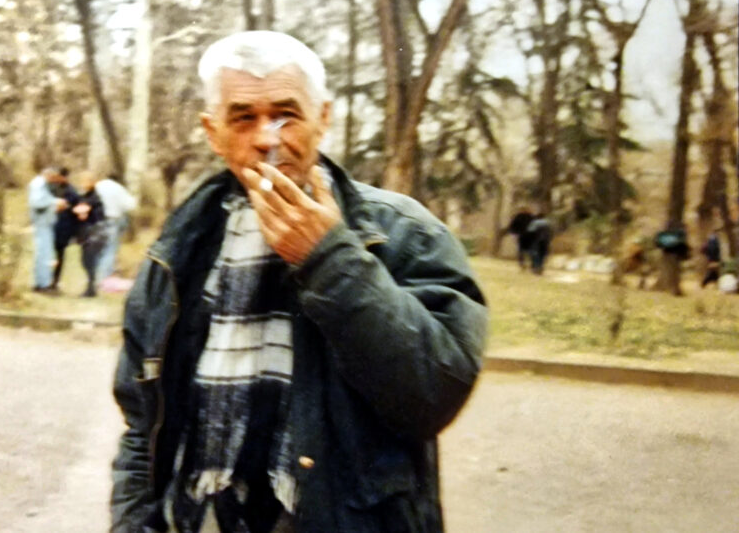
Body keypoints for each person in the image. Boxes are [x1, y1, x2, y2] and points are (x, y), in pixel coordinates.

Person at [111, 31, 487, 532]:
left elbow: (433, 396)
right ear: (212, 132)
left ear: (323, 118)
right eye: (243, 118)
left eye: (286, 115)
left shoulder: (406, 235)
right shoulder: (179, 248)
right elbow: (142, 425)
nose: (267, 139)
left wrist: (328, 258)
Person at [95, 173, 138, 282]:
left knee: (98, 248)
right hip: (112, 220)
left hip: (97, 220)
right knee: (110, 248)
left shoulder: (98, 185)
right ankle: (103, 277)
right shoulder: (118, 188)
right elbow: (130, 205)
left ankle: (94, 275)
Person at [27, 167, 62, 292]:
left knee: (43, 254)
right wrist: (54, 202)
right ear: (48, 175)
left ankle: (41, 282)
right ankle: (43, 283)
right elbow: (37, 203)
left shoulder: (41, 185)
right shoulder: (39, 185)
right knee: (44, 254)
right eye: (52, 177)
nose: (53, 180)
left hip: (45, 223)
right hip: (42, 223)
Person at [75, 171, 107, 298]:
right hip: (85, 233)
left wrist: (86, 211)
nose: (83, 184)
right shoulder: (84, 196)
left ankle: (91, 288)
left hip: (94, 233)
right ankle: (91, 286)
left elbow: (97, 215)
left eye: (86, 181)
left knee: (89, 261)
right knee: (85, 261)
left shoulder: (95, 198)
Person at [49, 167, 81, 294]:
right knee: (50, 254)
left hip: (64, 227)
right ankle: (48, 278)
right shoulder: (53, 189)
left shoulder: (72, 192)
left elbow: (76, 211)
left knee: (60, 254)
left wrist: (74, 231)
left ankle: (55, 279)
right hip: (52, 224)